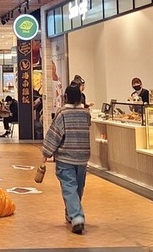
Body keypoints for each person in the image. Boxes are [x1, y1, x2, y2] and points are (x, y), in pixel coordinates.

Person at [41, 83, 91, 235]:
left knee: (69, 187)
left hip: (66, 157)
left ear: (65, 97)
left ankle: (77, 217)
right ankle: (72, 214)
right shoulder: (86, 114)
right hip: (82, 157)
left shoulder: (62, 113)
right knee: (78, 187)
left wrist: (46, 153)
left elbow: (54, 134)